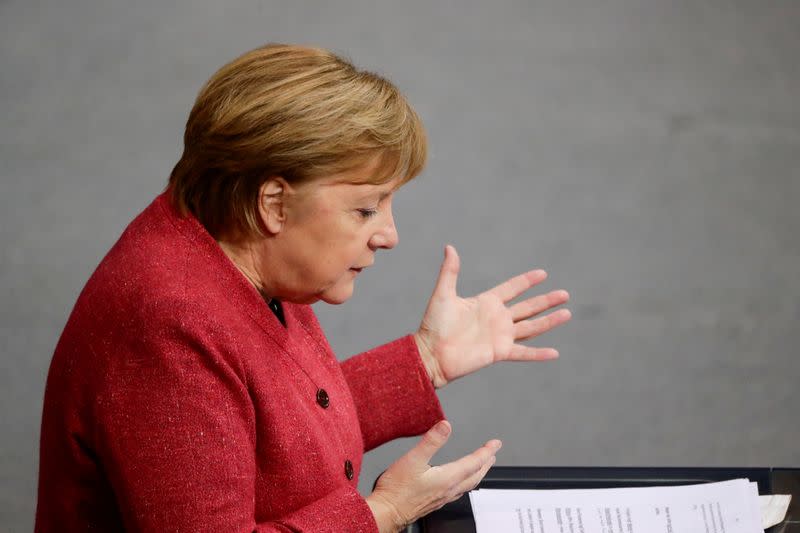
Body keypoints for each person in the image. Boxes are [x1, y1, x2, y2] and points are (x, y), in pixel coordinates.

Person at [35, 44, 571, 532]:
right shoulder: (167, 325)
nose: (389, 235)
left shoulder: (228, 246)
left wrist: (426, 360)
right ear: (274, 203)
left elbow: (268, 434)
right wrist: (382, 514)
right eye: (365, 209)